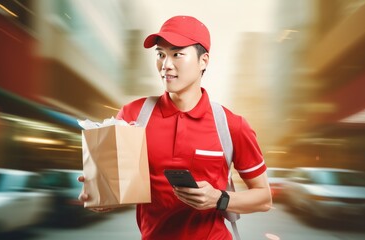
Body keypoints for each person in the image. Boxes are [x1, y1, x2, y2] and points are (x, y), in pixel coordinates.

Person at [78, 15, 272, 240]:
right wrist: (100, 193)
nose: (166, 65)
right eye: (161, 54)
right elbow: (116, 188)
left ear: (203, 61)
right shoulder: (133, 116)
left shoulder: (231, 125)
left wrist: (219, 199)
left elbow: (264, 198)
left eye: (177, 54)